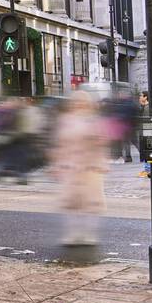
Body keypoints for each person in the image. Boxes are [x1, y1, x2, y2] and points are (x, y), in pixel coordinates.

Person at [51, 90, 108, 252]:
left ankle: (89, 234)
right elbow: (60, 143)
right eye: (76, 102)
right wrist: (57, 163)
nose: (79, 104)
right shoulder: (66, 120)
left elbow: (101, 143)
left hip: (90, 167)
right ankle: (73, 234)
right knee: (71, 202)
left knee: (91, 202)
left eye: (83, 102)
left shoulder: (94, 121)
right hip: (71, 166)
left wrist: (101, 163)